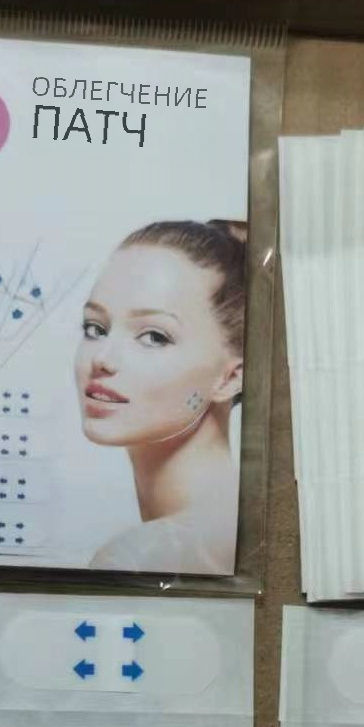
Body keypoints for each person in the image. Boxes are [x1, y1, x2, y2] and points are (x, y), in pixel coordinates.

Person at [74, 219, 246, 574]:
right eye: (96, 328)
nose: (102, 358)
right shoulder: (230, 526)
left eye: (154, 337)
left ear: (231, 377)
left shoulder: (142, 557)